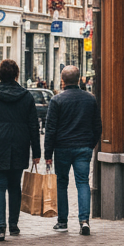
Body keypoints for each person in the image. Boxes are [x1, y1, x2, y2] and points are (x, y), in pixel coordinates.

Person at [0, 58, 40, 242]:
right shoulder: (26, 96)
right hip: (20, 141)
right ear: (16, 75)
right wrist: (37, 152)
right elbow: (33, 126)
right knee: (14, 185)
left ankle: (0, 227)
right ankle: (13, 225)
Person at [44, 65, 101, 235]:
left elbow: (50, 129)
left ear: (62, 80)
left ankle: (62, 222)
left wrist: (48, 154)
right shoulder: (90, 99)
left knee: (61, 184)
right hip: (83, 147)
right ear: (80, 79)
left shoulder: (57, 100)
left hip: (62, 148)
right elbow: (97, 126)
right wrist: (90, 144)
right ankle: (84, 221)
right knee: (83, 183)